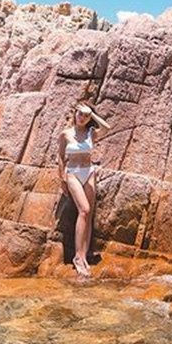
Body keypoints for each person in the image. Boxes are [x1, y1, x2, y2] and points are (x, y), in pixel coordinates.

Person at [58, 101, 111, 277]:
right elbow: (60, 157)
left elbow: (107, 127)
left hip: (89, 172)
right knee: (84, 210)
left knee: (89, 215)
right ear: (74, 113)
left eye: (86, 115)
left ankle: (85, 255)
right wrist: (62, 179)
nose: (82, 118)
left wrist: (92, 115)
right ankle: (77, 257)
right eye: (80, 113)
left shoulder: (90, 133)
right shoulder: (65, 134)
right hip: (72, 173)